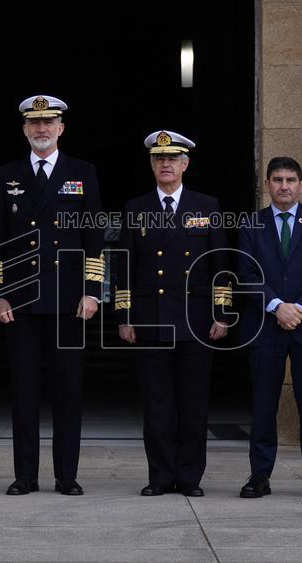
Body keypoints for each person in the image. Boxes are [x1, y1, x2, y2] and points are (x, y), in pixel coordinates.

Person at [0, 95, 104, 496]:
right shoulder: (7, 174)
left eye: (49, 122)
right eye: (34, 123)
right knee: (24, 393)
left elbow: (94, 240)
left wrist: (92, 292)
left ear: (61, 128)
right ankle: (25, 476)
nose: (41, 129)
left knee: (69, 391)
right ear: (24, 129)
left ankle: (66, 476)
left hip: (69, 302)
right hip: (20, 303)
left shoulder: (83, 172)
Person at [113, 130, 232, 497]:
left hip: (196, 322)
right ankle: (161, 476)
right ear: (151, 165)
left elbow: (221, 266)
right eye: (159, 159)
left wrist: (222, 314)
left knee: (194, 406)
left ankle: (190, 477)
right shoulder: (136, 208)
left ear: (185, 164)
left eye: (172, 159)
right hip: (151, 319)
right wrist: (123, 316)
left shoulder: (206, 206)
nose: (166, 164)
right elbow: (124, 266)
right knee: (157, 406)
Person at [237, 157, 302, 499]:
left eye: (291, 179)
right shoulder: (251, 224)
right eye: (278, 179)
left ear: (301, 184)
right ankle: (259, 476)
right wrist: (276, 306)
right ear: (267, 184)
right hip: (265, 326)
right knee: (263, 404)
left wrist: (299, 308)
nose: (284, 185)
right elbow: (246, 275)